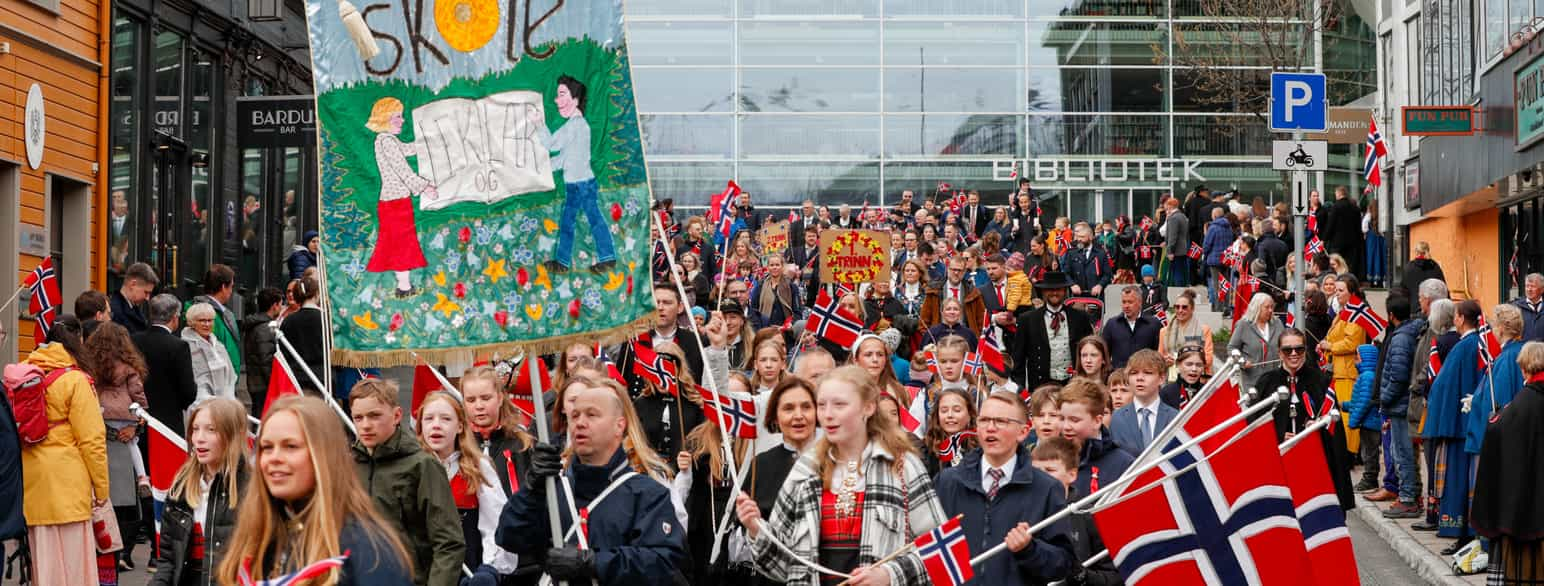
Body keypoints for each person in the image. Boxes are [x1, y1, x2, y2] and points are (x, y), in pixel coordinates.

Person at [734, 366, 947, 586]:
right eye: (822, 405)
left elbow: (943, 554)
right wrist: (756, 529)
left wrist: (890, 575)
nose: (828, 414)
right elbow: (786, 568)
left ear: (868, 407)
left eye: (839, 405)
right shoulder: (806, 469)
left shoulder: (902, 466)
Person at [496, 378, 689, 585]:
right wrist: (531, 488)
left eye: (592, 414)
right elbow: (510, 537)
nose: (580, 423)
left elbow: (661, 562)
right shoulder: (554, 488)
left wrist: (593, 562)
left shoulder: (648, 494)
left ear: (619, 425)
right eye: (575, 415)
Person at [219, 396, 414, 584]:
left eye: (290, 446)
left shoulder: (369, 549)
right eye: (267, 447)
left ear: (324, 455)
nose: (274, 458)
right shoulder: (258, 540)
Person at [934, 391, 1076, 584]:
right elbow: (924, 550)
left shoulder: (1047, 488)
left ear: (1024, 432)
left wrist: (1030, 549)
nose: (990, 428)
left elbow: (1064, 565)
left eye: (1001, 421)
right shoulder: (948, 481)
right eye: (984, 420)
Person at [348, 379, 466, 586]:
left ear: (396, 416)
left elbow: (449, 543)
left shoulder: (422, 465)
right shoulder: (346, 465)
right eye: (358, 418)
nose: (365, 425)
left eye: (374, 416)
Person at [17, 315, 107, 585]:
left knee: (43, 564)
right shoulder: (76, 379)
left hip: (32, 481)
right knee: (74, 565)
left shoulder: (25, 371)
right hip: (68, 483)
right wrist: (101, 489)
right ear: (77, 339)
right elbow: (92, 440)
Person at [414, 391, 517, 586]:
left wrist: (488, 570)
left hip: (469, 573)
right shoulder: (411, 469)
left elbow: (496, 524)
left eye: (445, 419)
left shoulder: (478, 467)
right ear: (420, 427)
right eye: (428, 419)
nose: (436, 424)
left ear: (460, 426)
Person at [150, 398, 249, 586]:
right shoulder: (181, 486)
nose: (199, 438)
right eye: (195, 429)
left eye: (211, 430)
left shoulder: (252, 488)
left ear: (232, 434)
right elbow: (168, 561)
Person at [1253, 328, 1355, 510]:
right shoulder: (1266, 382)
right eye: (1287, 350)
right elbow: (1253, 425)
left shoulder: (1320, 381)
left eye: (1299, 349)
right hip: (1278, 466)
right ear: (1279, 353)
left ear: (1305, 350)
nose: (1294, 354)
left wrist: (1317, 429)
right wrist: (1279, 435)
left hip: (1313, 466)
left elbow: (1334, 427)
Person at [1469, 342, 1544, 583]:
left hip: (1519, 510)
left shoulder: (1516, 408)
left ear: (1524, 369)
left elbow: (1496, 448)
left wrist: (1495, 422)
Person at [81, 322, 148, 572]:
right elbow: (140, 399)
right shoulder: (129, 366)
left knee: (99, 495)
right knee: (124, 500)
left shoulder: (88, 365)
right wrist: (137, 425)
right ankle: (143, 479)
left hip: (97, 427)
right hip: (124, 430)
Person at [1419, 300, 1484, 548]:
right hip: (1470, 422)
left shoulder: (1462, 346)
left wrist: (1437, 421)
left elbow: (1441, 387)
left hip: (1456, 425)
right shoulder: (1480, 344)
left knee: (1457, 482)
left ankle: (1460, 532)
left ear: (1459, 318)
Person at [1376, 294, 1426, 518]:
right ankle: (1412, 495)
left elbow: (1397, 375)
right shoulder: (1412, 331)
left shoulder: (1400, 338)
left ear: (1391, 315)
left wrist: (1384, 398)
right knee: (1406, 453)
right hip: (1405, 403)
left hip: (1399, 405)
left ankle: (1407, 498)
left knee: (1402, 453)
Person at [1014, 271, 1094, 391]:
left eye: (1059, 289)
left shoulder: (1080, 317)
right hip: (1040, 385)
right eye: (1050, 289)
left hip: (1073, 383)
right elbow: (1018, 359)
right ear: (1043, 292)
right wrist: (1020, 389)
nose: (1054, 293)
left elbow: (1090, 349)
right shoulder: (1027, 319)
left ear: (1065, 291)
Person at [134, 294, 199, 437]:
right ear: (175, 317)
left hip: (138, 418)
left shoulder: (134, 340)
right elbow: (188, 391)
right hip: (169, 421)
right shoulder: (179, 346)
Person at [1058, 379, 1133, 498]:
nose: (1066, 427)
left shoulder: (1124, 465)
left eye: (1074, 420)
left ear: (1097, 421)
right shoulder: (1047, 458)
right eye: (1061, 419)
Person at [1321, 275, 1370, 453]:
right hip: (1341, 371)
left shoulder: (1355, 312)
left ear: (1352, 293)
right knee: (1341, 414)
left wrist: (1330, 346)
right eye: (1337, 289)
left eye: (1341, 290)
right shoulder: (1345, 311)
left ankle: (1350, 453)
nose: (1337, 293)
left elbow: (1351, 343)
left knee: (1348, 415)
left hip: (1348, 372)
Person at [1108, 350, 1178, 457]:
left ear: (1162, 378)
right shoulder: (1117, 418)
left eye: (1148, 372)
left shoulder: (1175, 418)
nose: (1140, 378)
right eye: (1134, 373)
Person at [187, 265, 243, 377]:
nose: (231, 291)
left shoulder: (214, 312)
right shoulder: (209, 315)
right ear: (223, 287)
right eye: (231, 287)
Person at [278, 275, 327, 396]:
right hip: (323, 376)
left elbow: (283, 352)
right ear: (317, 293)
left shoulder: (289, 320)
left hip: (296, 376)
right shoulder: (326, 319)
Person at [1345, 344, 1383, 494]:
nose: (1355, 360)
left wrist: (1353, 421)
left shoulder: (1367, 377)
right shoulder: (1367, 375)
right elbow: (1358, 401)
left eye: (1357, 357)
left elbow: (1364, 402)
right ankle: (1369, 478)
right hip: (1369, 421)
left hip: (1370, 422)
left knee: (1369, 453)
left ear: (1365, 358)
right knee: (1368, 452)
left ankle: (1370, 480)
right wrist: (1344, 405)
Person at [1228, 293, 1284, 393]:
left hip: (1275, 380)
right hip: (1252, 382)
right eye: (1267, 307)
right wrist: (1242, 361)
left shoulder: (1277, 323)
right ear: (1257, 308)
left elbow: (1284, 343)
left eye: (1272, 307)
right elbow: (1232, 348)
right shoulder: (1243, 325)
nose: (1271, 310)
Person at [183, 302, 238, 401]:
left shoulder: (218, 346)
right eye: (202, 320)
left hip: (224, 403)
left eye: (210, 320)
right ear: (192, 322)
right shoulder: (185, 346)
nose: (207, 324)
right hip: (198, 405)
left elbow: (231, 376)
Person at [241, 288, 283, 414]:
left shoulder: (256, 325)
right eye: (280, 304)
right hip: (263, 386)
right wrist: (275, 384)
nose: (281, 307)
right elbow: (266, 360)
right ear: (274, 305)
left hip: (256, 383)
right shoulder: (265, 328)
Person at [921, 256, 987, 332]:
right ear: (948, 269)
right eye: (953, 269)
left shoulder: (973, 293)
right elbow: (924, 321)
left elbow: (981, 321)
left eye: (959, 270)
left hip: (965, 339)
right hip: (939, 338)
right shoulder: (934, 290)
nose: (956, 273)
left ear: (965, 271)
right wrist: (930, 339)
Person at [1101, 286, 1162, 369]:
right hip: (1119, 377)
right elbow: (1104, 352)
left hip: (1145, 376)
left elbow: (1159, 353)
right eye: (1124, 302)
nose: (1126, 306)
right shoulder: (1112, 324)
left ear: (1140, 302)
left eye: (1130, 302)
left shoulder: (1154, 324)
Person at [922, 388, 978, 477]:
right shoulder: (926, 448)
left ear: (969, 415)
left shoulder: (980, 447)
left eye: (957, 410)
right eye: (944, 411)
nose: (950, 415)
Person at [1158, 290, 1214, 374]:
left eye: (1184, 307)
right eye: (1177, 307)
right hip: (1171, 377)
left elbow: (1208, 358)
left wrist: (1184, 363)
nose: (1180, 310)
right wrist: (1165, 361)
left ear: (1192, 308)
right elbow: (1159, 358)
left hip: (1197, 376)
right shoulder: (1164, 331)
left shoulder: (1204, 330)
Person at [1061, 224, 1111, 299]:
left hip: (1096, 296)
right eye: (1078, 237)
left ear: (1090, 237)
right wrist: (1072, 284)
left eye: (1082, 237)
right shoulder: (1071, 253)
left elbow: (1107, 274)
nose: (1079, 239)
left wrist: (1100, 285)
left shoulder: (1100, 253)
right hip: (1076, 295)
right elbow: (1065, 273)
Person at [1202, 207, 1235, 312]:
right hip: (1226, 259)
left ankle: (1218, 308)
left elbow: (1207, 244)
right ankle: (1226, 307)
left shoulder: (1213, 227)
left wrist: (1204, 255)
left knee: (1216, 285)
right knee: (1225, 284)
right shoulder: (1229, 227)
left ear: (1215, 215)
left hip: (1214, 260)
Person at [111, 262, 158, 335]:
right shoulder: (115, 312)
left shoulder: (132, 308)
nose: (147, 298)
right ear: (133, 284)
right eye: (146, 292)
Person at [1400, 241, 1446, 309]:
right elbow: (1443, 288)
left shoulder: (1409, 267)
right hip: (1433, 310)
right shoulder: (1435, 266)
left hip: (1413, 310)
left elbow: (1403, 291)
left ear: (1416, 252)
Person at [1162, 197, 1190, 286]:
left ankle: (1178, 291)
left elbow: (1172, 237)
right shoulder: (1182, 216)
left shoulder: (1173, 218)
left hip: (1176, 251)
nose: (1165, 208)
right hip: (1183, 249)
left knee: (1176, 274)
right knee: (1182, 272)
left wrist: (1170, 251)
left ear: (1170, 206)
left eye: (1166, 206)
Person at [1516, 273, 1544, 342]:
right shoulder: (1516, 308)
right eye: (1527, 286)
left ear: (1542, 289)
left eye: (1533, 286)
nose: (1529, 289)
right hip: (1523, 351)